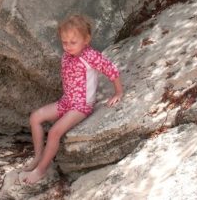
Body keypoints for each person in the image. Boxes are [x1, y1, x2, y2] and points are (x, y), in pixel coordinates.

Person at [20, 14, 123, 184]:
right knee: (35, 117)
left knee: (54, 132)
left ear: (86, 40)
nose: (67, 47)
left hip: (81, 106)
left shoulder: (90, 56)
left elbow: (111, 69)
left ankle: (41, 170)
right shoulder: (67, 56)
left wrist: (118, 92)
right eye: (64, 42)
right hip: (67, 101)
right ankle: (38, 155)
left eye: (73, 42)